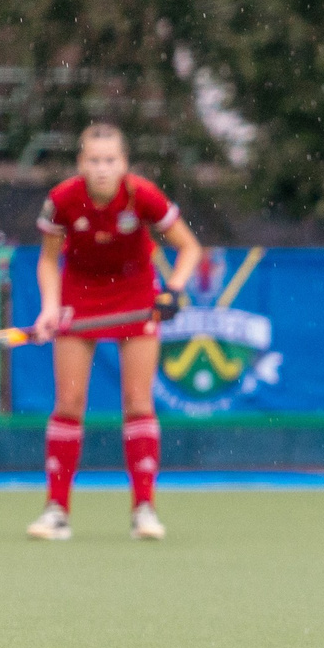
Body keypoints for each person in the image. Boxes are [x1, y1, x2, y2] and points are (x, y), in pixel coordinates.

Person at [25, 123, 203, 541]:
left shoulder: (142, 195)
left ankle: (144, 509)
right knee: (68, 402)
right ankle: (57, 511)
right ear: (80, 163)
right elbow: (49, 261)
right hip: (80, 297)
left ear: (124, 164)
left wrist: (173, 291)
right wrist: (50, 308)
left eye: (110, 160)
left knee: (138, 402)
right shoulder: (62, 200)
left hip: (136, 296)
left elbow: (189, 248)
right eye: (93, 160)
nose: (102, 169)